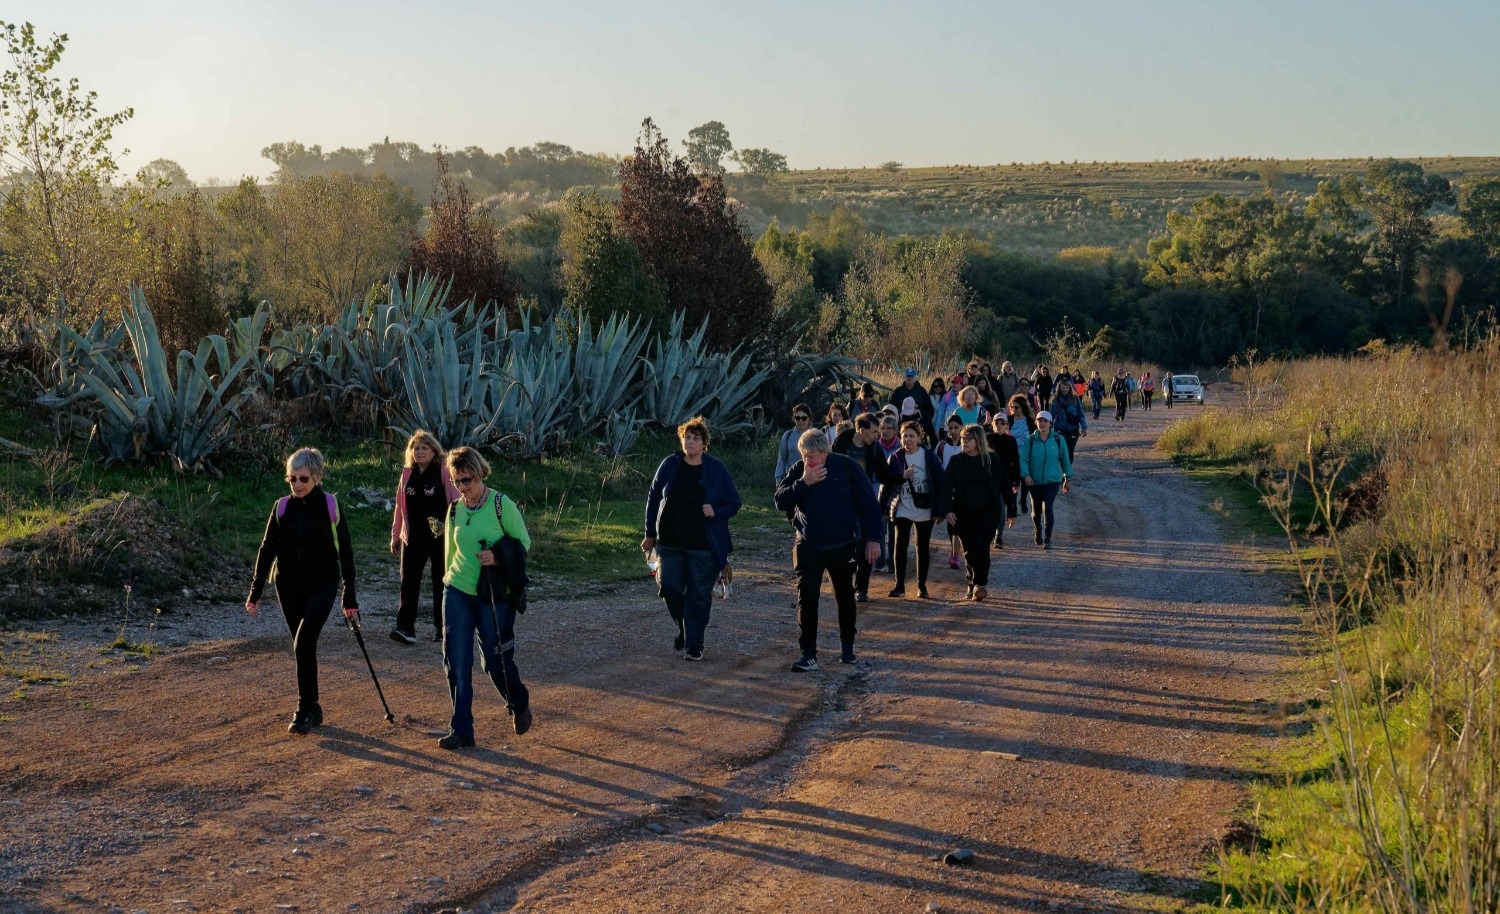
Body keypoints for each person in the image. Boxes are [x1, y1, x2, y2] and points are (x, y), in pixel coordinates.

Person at [246, 448, 358, 735]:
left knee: (303, 642)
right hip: (287, 585)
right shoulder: (282, 507)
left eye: (303, 479)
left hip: (323, 584)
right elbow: (267, 549)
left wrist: (349, 596)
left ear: (317, 477)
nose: (297, 484)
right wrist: (255, 591)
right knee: (303, 646)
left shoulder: (331, 505)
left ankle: (303, 709)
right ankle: (314, 707)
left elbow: (346, 552)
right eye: (292, 478)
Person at [437, 447, 533, 749]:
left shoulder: (502, 505)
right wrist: (446, 586)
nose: (462, 487)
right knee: (456, 660)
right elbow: (450, 553)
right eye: (456, 481)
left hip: (494, 594)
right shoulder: (454, 509)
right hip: (457, 590)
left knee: (494, 661)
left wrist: (497, 556)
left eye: (466, 480)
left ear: (479, 474)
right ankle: (462, 729)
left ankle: (518, 701)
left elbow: (524, 543)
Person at [775, 429, 885, 671]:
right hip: (808, 543)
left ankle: (848, 648)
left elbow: (869, 504)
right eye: (804, 456)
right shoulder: (799, 470)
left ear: (824, 452)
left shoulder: (846, 467)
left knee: (844, 595)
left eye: (812, 456)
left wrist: (873, 539)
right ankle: (808, 654)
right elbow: (780, 500)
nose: (808, 461)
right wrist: (804, 483)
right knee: (807, 597)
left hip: (842, 543)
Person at [642, 417, 742, 662]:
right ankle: (685, 629)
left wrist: (716, 511)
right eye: (687, 437)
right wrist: (649, 534)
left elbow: (734, 502)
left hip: (703, 547)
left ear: (704, 443)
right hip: (670, 543)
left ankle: (694, 645)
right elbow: (654, 497)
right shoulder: (670, 464)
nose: (690, 442)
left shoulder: (716, 469)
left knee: (699, 596)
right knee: (670, 587)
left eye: (696, 438)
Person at [389, 430, 460, 644]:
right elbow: (400, 507)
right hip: (413, 537)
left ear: (434, 450)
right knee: (408, 582)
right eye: (416, 448)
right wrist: (395, 535)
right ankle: (405, 628)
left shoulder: (444, 471)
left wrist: (458, 534)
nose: (419, 452)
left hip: (441, 537)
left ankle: (443, 628)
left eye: (424, 448)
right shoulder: (407, 473)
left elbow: (456, 502)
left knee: (442, 582)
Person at [834, 412, 900, 601]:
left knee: (866, 544)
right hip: (842, 502)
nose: (877, 436)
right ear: (861, 431)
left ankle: (861, 589)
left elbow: (884, 475)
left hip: (864, 500)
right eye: (874, 432)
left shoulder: (875, 448)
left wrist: (900, 478)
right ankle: (845, 584)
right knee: (845, 544)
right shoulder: (841, 443)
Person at [945, 425, 1012, 601]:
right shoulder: (956, 461)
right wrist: (947, 510)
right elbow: (946, 487)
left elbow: (1005, 484)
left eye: (969, 439)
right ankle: (971, 580)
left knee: (982, 548)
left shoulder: (992, 459)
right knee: (969, 550)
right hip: (963, 513)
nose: (964, 442)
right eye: (963, 439)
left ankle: (979, 584)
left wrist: (1011, 510)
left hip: (988, 513)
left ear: (978, 440)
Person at [884, 420, 948, 599]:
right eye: (904, 436)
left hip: (925, 507)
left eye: (911, 436)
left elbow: (941, 482)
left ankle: (922, 587)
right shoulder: (896, 457)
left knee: (922, 547)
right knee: (900, 545)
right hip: (902, 506)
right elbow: (887, 482)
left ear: (919, 438)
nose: (908, 439)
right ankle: (899, 586)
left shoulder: (929, 457)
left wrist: (941, 509)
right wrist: (901, 476)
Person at [1018, 411, 1072, 550]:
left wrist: (1067, 477)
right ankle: (1038, 529)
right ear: (1036, 422)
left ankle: (1048, 538)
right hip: (1034, 481)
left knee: (1048, 506)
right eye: (1039, 420)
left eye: (1045, 421)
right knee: (1036, 511)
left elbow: (1065, 460)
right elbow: (1023, 460)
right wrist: (1026, 475)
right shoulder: (1030, 440)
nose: (1042, 423)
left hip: (1052, 480)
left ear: (1050, 423)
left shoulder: (1058, 440)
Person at [986, 414, 1022, 549]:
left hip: (1005, 480)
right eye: (997, 422)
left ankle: (998, 536)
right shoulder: (988, 438)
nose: (999, 425)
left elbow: (1016, 462)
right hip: (989, 479)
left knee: (1001, 508)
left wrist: (1016, 482)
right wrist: (985, 425)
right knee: (989, 508)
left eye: (1002, 423)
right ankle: (989, 533)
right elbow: (976, 439)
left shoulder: (1011, 441)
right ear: (993, 425)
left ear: (1007, 425)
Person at [935, 415, 966, 570]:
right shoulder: (941, 446)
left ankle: (956, 555)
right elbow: (936, 465)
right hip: (946, 489)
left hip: (963, 490)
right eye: (950, 428)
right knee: (951, 522)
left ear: (961, 428)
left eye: (956, 428)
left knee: (960, 522)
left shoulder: (966, 445)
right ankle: (954, 553)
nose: (953, 431)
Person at [887, 367, 936, 443]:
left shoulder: (922, 391)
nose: (909, 378)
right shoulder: (898, 391)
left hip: (919, 425)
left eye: (911, 376)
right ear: (904, 377)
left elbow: (930, 409)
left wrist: (923, 419)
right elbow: (891, 408)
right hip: (901, 425)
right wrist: (898, 417)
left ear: (915, 377)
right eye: (908, 376)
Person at [1048, 382, 1088, 462]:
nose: (1065, 389)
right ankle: (1063, 466)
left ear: (1070, 388)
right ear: (1059, 388)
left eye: (1067, 388)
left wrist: (1084, 427)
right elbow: (1052, 414)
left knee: (1070, 450)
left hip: (1073, 428)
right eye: (1063, 387)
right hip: (1060, 428)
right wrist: (1048, 427)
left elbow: (1080, 413)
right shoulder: (1055, 400)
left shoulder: (1075, 399)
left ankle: (1068, 467)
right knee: (1061, 449)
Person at [774, 404, 813, 484]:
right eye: (797, 418)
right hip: (792, 479)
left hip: (811, 478)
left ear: (809, 419)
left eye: (804, 418)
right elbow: (782, 458)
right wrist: (778, 478)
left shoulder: (815, 435)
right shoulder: (788, 435)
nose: (800, 421)